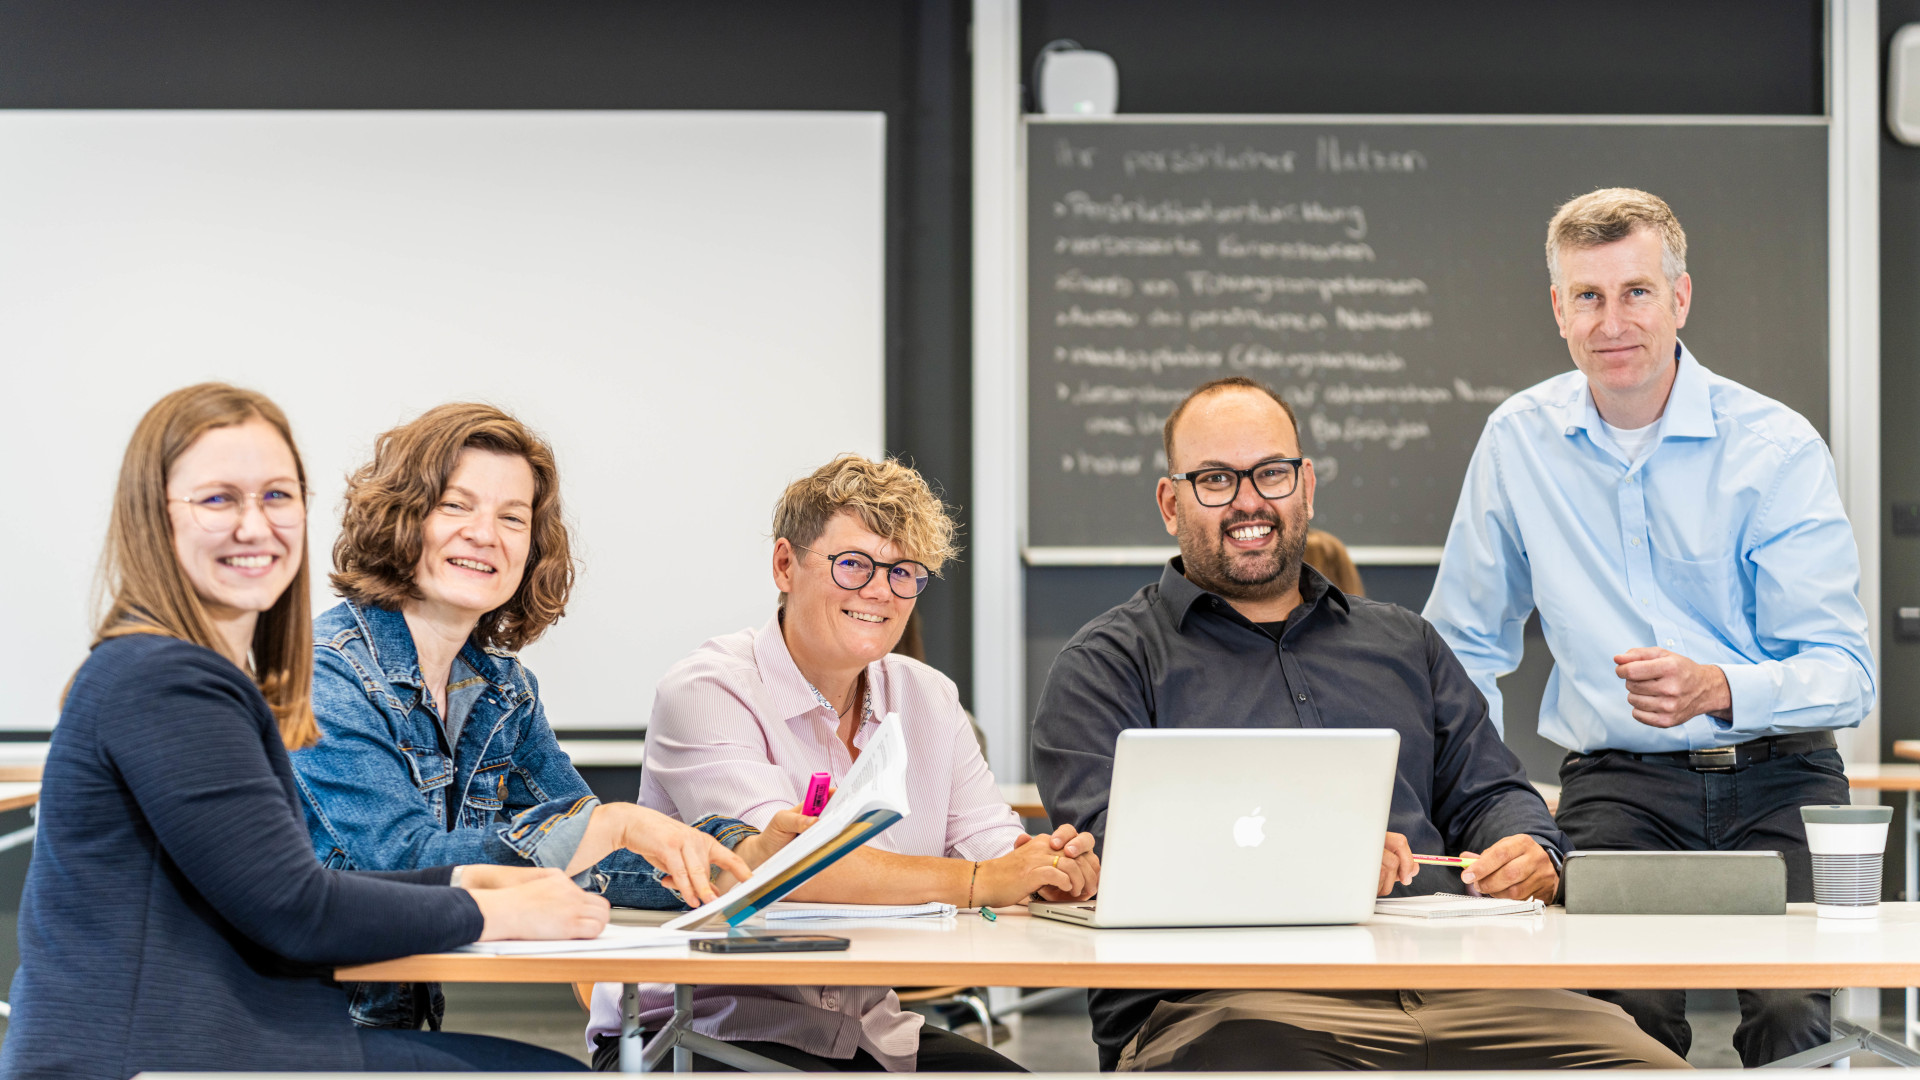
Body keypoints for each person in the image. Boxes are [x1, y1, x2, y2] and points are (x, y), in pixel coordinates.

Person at [1032, 376, 1686, 1072]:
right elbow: (1117, 858)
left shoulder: (1407, 645)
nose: (1250, 500)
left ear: (1306, 486)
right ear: (1171, 503)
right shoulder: (1105, 665)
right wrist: (1318, 858)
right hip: (1236, 1006)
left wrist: (1527, 846)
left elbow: (1491, 790)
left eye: (1271, 474)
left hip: (1462, 986)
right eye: (1216, 479)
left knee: (1641, 1066)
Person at [0, 383, 615, 1078]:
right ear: (154, 518)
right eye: (218, 500)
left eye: (277, 497)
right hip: (155, 1061)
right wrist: (484, 908)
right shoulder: (163, 678)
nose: (255, 526)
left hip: (215, 1046)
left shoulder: (189, 671)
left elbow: (287, 884)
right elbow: (297, 910)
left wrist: (468, 875)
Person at [1423, 187, 1875, 1067]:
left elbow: (1845, 672)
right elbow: (1466, 646)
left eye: (1636, 291)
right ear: (1558, 309)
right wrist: (1478, 801)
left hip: (1780, 774)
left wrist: (1721, 687)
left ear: (1681, 298)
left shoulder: (1775, 448)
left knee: (1793, 1014)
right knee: (1615, 1019)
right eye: (1587, 296)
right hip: (1620, 786)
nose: (1612, 321)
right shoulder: (1519, 441)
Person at [290, 402, 811, 1032]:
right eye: (456, 506)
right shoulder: (324, 673)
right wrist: (610, 824)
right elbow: (403, 867)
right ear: (401, 517)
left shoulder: (503, 686)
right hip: (303, 1034)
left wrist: (740, 856)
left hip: (393, 1031)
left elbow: (594, 855)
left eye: (513, 518)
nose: (486, 534)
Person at [585, 454, 1102, 1072]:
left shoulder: (929, 697)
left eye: (905, 572)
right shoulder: (707, 690)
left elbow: (989, 843)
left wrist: (1045, 866)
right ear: (785, 565)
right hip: (700, 1029)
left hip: (866, 1032)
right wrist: (980, 884)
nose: (881, 591)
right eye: (854, 564)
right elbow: (788, 872)